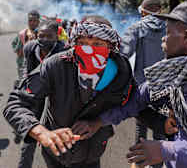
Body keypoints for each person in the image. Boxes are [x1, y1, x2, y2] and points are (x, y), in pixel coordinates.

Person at [72, 1, 187, 168]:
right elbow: (135, 100)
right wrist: (97, 122)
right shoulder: (171, 71)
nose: (163, 38)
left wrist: (166, 150)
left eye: (168, 32)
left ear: (186, 36)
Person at [3, 15, 137, 168]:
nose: (88, 49)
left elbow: (134, 102)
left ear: (110, 46)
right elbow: (15, 104)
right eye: (82, 43)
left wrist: (99, 122)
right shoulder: (56, 65)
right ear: (75, 43)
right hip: (56, 155)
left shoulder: (121, 70)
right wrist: (42, 133)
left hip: (92, 153)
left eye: (97, 43)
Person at [120, 0, 166, 168]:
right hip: (165, 86)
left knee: (141, 124)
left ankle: (139, 162)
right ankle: (157, 163)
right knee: (161, 127)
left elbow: (123, 54)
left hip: (142, 86)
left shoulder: (137, 27)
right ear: (159, 10)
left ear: (144, 11)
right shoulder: (170, 28)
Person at [17, 19, 68, 168]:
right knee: (30, 132)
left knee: (57, 132)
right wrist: (24, 84)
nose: (44, 39)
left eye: (49, 36)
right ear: (36, 35)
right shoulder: (30, 48)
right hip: (37, 92)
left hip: (57, 94)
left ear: (56, 37)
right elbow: (26, 68)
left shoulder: (64, 51)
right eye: (41, 35)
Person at [11, 10, 40, 81]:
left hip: (37, 66)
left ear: (38, 22)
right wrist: (18, 50)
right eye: (30, 20)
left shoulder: (42, 34)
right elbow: (14, 43)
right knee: (22, 83)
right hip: (22, 64)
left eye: (34, 21)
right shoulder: (22, 33)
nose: (32, 23)